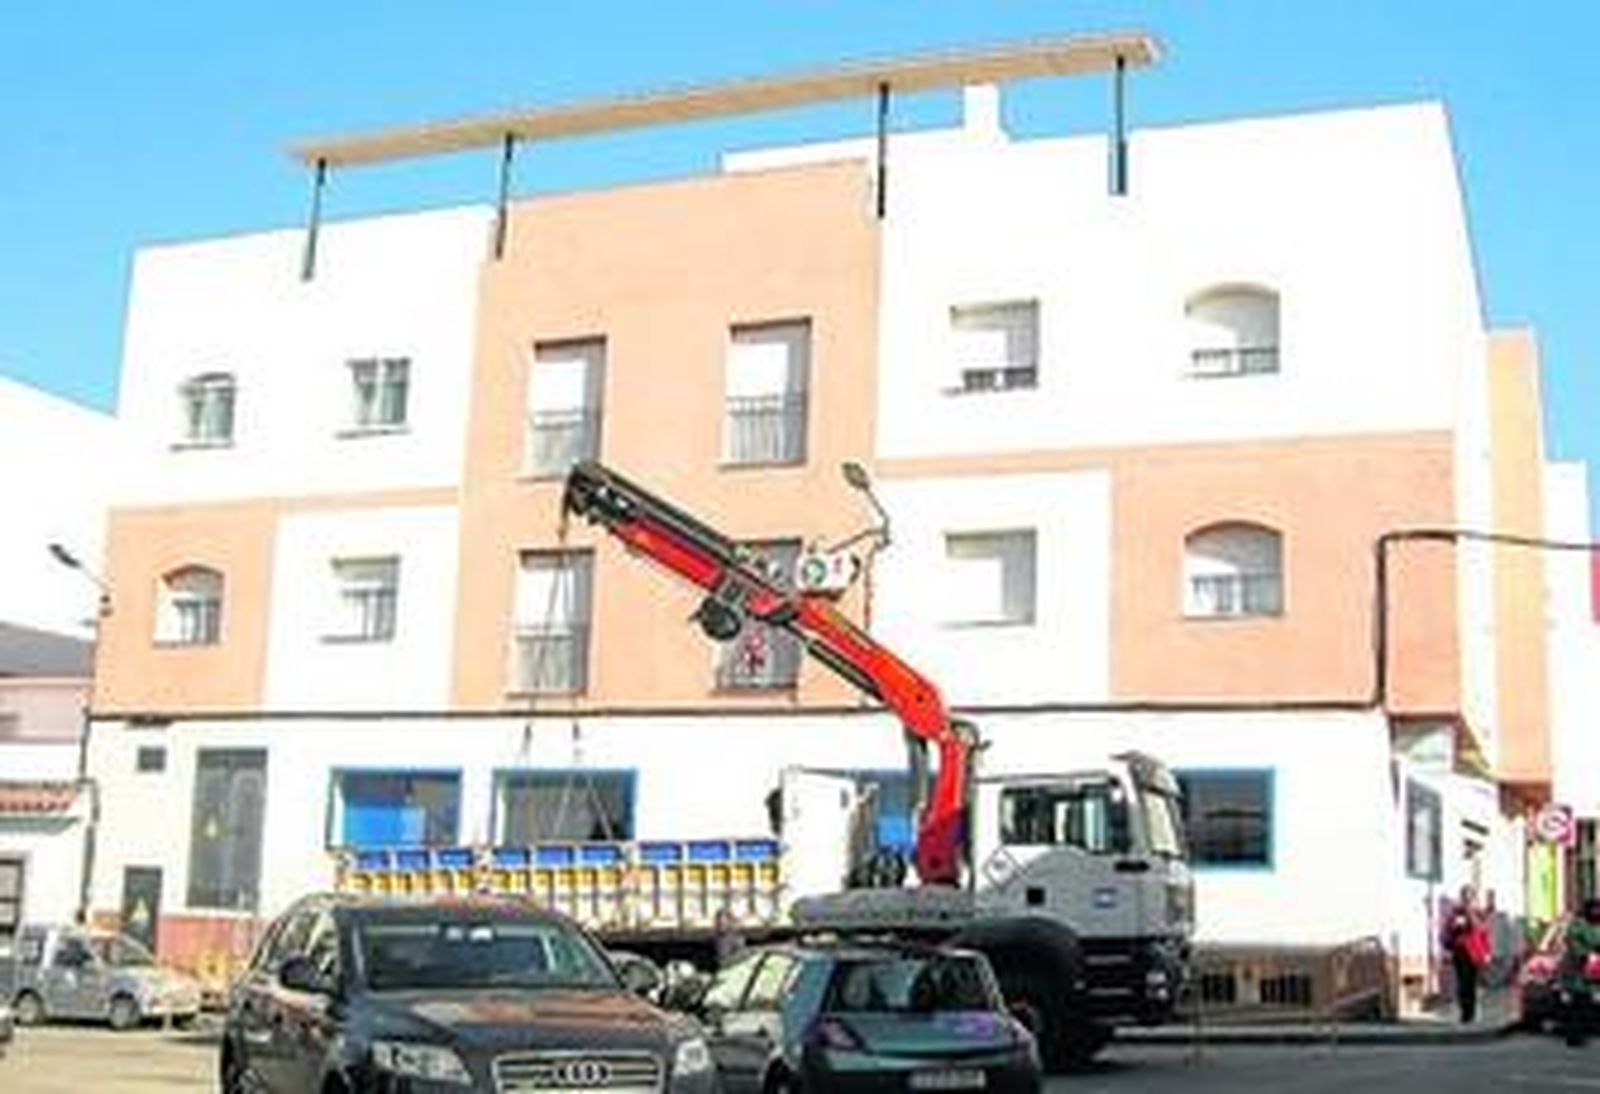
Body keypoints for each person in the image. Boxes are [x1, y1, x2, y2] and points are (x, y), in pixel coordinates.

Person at [1440, 885, 1491, 1023]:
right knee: (1463, 982)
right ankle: (1465, 1012)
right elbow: (1449, 929)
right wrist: (1456, 926)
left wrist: (1487, 952)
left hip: (1474, 952)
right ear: (1462, 898)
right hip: (1460, 951)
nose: (1468, 900)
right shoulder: (1457, 912)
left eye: (1471, 897)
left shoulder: (1478, 914)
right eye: (1466, 897)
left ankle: (1471, 1011)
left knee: (1471, 983)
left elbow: (1484, 933)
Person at [1558, 897, 1600, 1047]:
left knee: (1585, 1004)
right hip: (1578, 972)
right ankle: (1574, 1036)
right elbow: (1574, 944)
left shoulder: (1595, 925)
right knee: (1577, 1004)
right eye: (1594, 909)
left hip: (1590, 972)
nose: (1597, 912)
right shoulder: (1577, 925)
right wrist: (1586, 953)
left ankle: (1582, 1033)